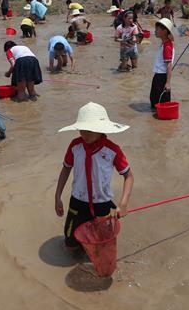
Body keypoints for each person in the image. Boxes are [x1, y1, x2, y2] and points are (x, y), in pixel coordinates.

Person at [54, 102, 134, 250]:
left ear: (101, 129)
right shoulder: (75, 146)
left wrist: (123, 203)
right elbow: (65, 169)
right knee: (70, 244)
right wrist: (57, 196)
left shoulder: (112, 150)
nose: (84, 134)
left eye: (89, 130)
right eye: (82, 130)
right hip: (78, 201)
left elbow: (128, 176)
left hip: (101, 204)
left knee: (101, 245)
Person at [149, 18, 174, 109]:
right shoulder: (165, 44)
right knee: (154, 100)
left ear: (164, 31)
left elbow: (169, 65)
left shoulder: (167, 46)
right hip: (158, 76)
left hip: (161, 77)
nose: (155, 31)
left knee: (161, 103)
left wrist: (168, 83)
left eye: (157, 29)